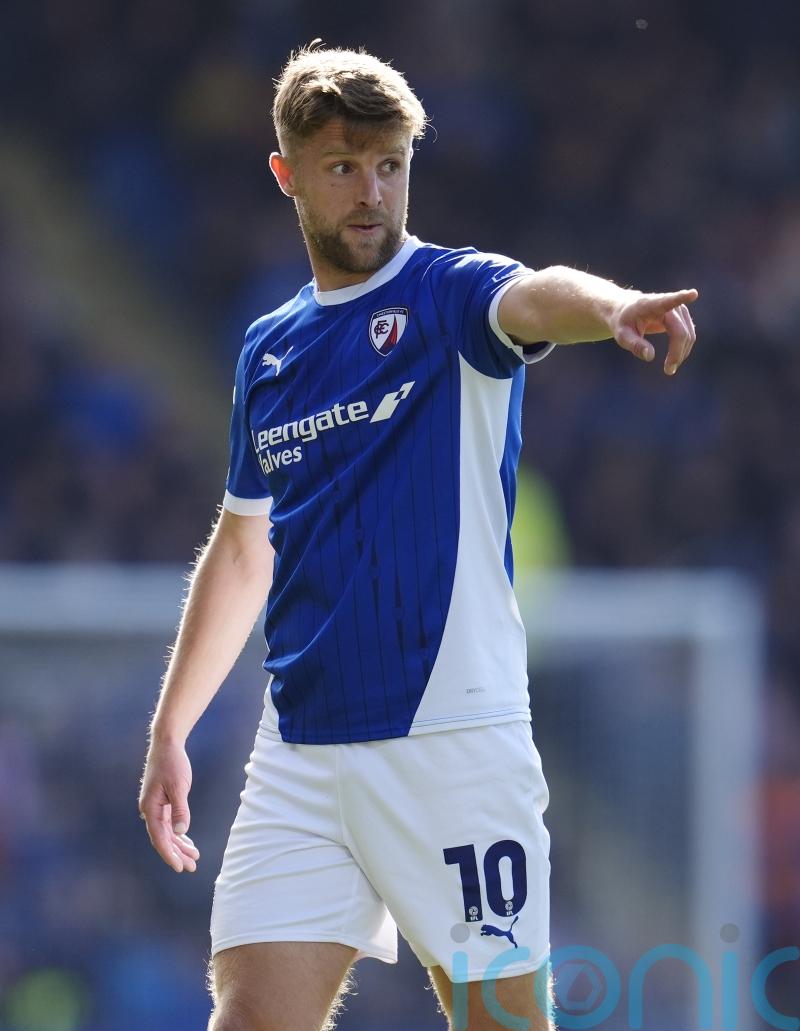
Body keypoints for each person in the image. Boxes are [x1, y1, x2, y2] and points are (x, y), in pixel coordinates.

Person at [138, 43, 698, 1031]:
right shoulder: (269, 350)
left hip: (451, 740)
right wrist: (171, 725)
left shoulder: (448, 295)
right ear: (286, 174)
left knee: (499, 1022)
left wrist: (611, 305)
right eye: (342, 166)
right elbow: (242, 544)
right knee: (251, 1016)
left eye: (388, 164)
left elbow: (534, 293)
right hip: (301, 749)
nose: (370, 192)